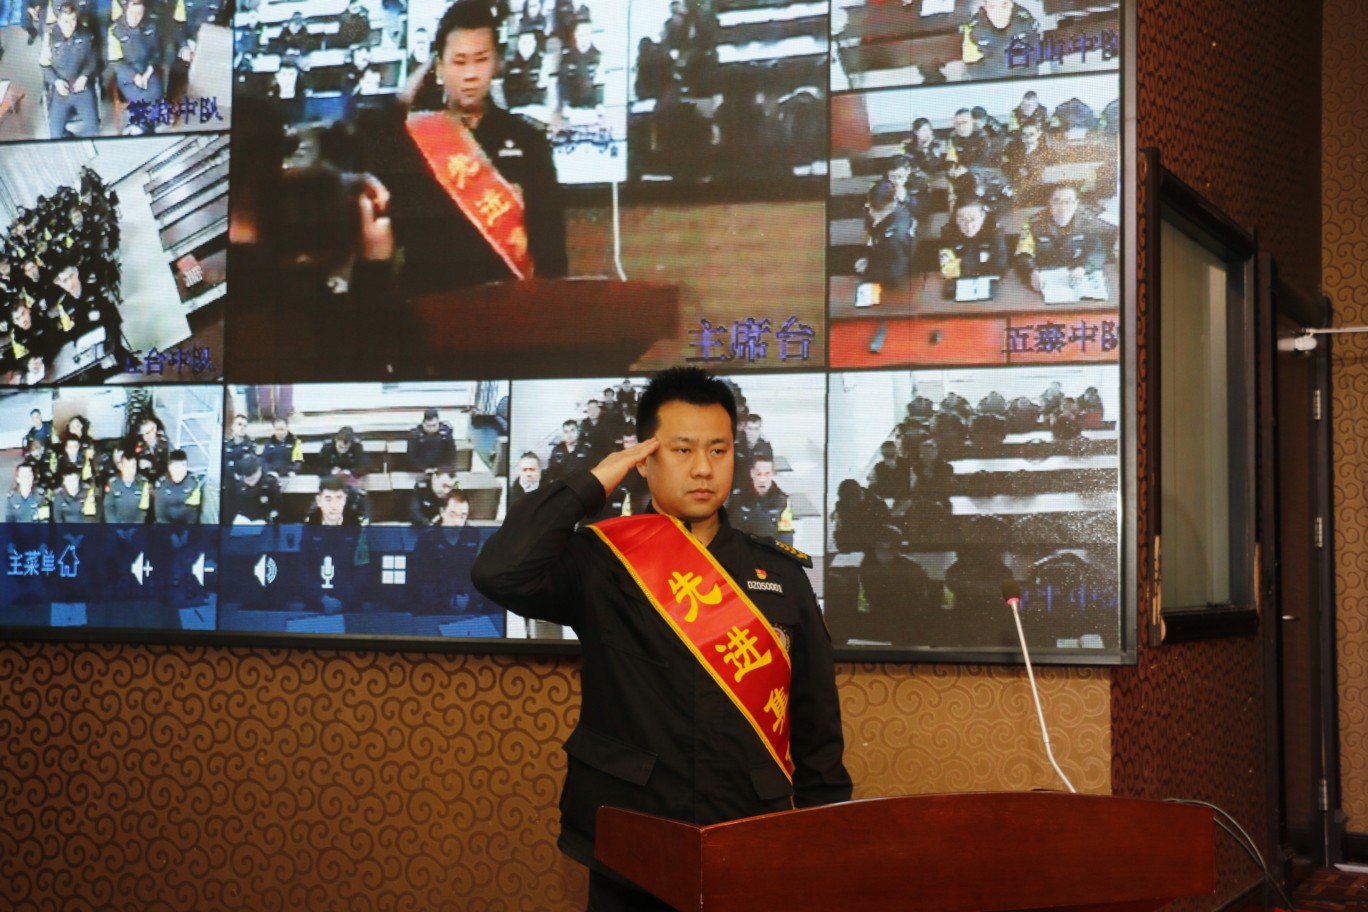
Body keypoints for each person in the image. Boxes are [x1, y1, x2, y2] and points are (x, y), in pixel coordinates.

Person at [472, 366, 851, 910]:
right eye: (682, 450)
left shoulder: (780, 575)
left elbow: (816, 726)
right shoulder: (601, 562)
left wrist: (824, 838)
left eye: (719, 450)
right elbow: (499, 572)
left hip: (749, 833)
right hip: (631, 838)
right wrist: (593, 483)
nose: (703, 468)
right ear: (644, 458)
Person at [365, 0, 568, 295]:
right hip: (429, 307)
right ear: (439, 66)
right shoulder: (413, 139)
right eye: (459, 62)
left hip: (509, 308)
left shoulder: (529, 141)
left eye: (481, 60)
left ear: (497, 63)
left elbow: (551, 251)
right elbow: (383, 241)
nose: (471, 74)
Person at [1015, 184, 1111, 294]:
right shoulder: (1033, 223)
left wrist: (1083, 268)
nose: (1062, 208)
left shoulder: (1088, 223)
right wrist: (1031, 272)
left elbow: (1098, 251)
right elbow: (1023, 254)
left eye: (1068, 201)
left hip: (1076, 277)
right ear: (1049, 203)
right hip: (1044, 278)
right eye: (1057, 201)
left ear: (1076, 203)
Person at [41, 2, 100, 139]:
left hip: (82, 86)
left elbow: (93, 60)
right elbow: (45, 65)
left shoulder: (86, 34)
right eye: (66, 21)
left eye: (73, 20)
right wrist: (56, 82)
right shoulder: (49, 37)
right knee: (56, 135)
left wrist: (84, 76)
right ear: (58, 21)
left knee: (93, 129)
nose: (70, 25)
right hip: (62, 88)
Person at [109, 0, 164, 135]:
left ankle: (139, 124)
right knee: (141, 97)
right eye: (132, 13)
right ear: (126, 10)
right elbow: (115, 61)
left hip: (147, 69)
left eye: (139, 13)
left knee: (156, 91)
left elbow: (156, 53)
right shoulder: (115, 30)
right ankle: (144, 126)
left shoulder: (151, 26)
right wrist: (134, 76)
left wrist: (149, 71)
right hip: (127, 73)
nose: (135, 17)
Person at [854, 179, 913, 296]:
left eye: (877, 211)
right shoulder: (878, 216)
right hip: (882, 267)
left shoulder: (898, 234)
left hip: (900, 284)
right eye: (870, 207)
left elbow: (895, 276)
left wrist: (869, 270)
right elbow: (874, 243)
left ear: (891, 206)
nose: (871, 212)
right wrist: (867, 259)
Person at [937, 199, 1007, 295]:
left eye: (973, 219)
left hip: (988, 284)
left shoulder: (994, 231)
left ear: (983, 216)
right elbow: (948, 270)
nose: (969, 226)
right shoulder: (949, 233)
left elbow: (999, 267)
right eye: (962, 219)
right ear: (956, 219)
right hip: (961, 286)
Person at [960, 0, 1040, 79]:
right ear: (985, 7)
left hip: (1022, 80)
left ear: (1012, 4)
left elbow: (1035, 55)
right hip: (987, 81)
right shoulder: (974, 29)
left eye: (1004, 5)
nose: (999, 13)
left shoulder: (1026, 21)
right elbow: (970, 65)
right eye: (992, 7)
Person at [731, 455, 788, 538]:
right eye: (758, 474)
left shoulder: (782, 501)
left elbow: (786, 534)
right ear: (752, 473)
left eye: (767, 474)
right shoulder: (738, 500)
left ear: (773, 474)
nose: (762, 479)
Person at [225, 455, 282, 524]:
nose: (251, 483)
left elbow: (276, 505)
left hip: (263, 519)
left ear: (259, 469)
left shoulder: (270, 483)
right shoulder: (237, 483)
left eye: (253, 479)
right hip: (243, 518)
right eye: (247, 480)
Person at [103, 447, 152, 523]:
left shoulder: (143, 483)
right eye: (126, 467)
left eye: (133, 467)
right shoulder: (112, 483)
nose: (130, 471)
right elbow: (109, 508)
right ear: (121, 467)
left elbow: (144, 510)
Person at [153, 450, 203, 523]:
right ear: (169, 467)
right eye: (176, 466)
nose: (180, 470)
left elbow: (193, 513)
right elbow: (160, 516)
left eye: (183, 466)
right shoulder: (161, 484)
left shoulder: (193, 483)